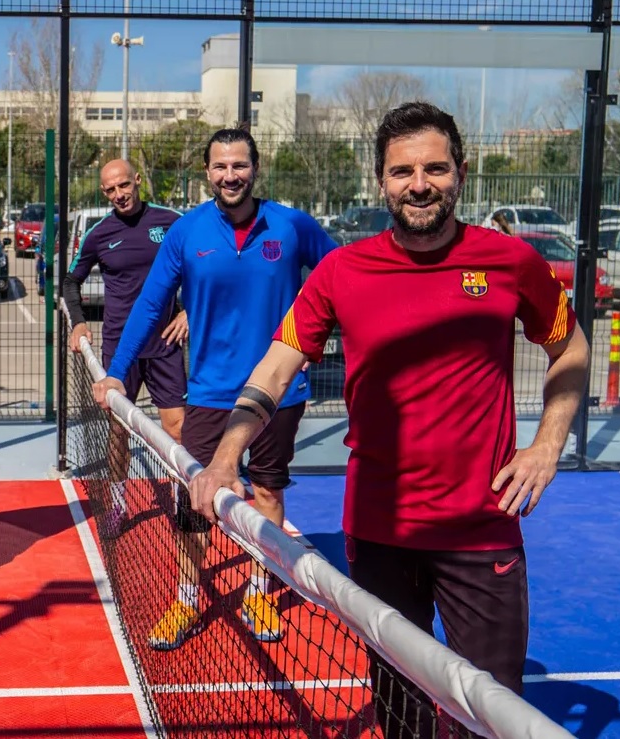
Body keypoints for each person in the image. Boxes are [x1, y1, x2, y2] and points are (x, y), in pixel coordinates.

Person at [190, 102, 590, 737]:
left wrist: (546, 445)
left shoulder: (510, 262)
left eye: (435, 168)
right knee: (399, 713)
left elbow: (570, 347)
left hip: (480, 532)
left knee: (491, 717)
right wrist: (224, 455)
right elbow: (273, 370)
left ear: (460, 172)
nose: (420, 184)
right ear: (382, 181)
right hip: (378, 533)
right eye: (403, 172)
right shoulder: (340, 272)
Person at [93, 128, 338, 651]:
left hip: (279, 396)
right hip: (208, 394)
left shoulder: (293, 226)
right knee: (198, 502)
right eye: (221, 166)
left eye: (240, 165)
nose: (231, 175)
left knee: (268, 494)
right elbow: (149, 305)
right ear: (207, 172)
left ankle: (259, 589)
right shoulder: (187, 233)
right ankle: (186, 597)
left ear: (256, 168)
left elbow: (342, 278)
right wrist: (116, 370)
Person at [65, 158, 188, 540]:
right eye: (110, 190)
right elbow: (71, 282)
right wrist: (79, 320)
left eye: (124, 185)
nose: (119, 194)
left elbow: (202, 270)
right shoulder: (99, 235)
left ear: (137, 180)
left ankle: (183, 500)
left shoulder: (172, 222)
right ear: (104, 193)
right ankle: (117, 503)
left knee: (177, 429)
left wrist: (190, 313)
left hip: (165, 345)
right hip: (120, 350)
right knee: (118, 432)